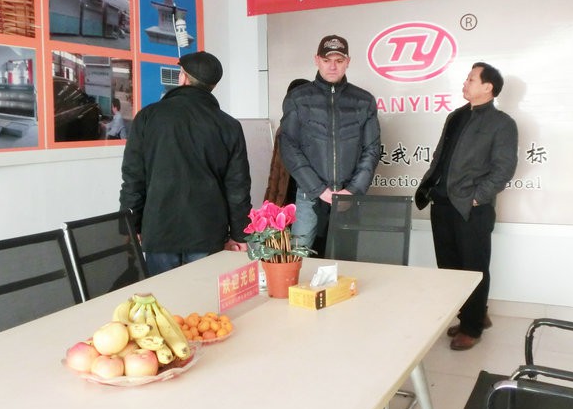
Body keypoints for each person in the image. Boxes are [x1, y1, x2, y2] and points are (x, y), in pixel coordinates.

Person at [119, 51, 252, 276]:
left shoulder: (149, 116)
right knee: (203, 295)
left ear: (183, 77)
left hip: (159, 229)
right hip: (207, 232)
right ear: (212, 86)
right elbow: (237, 188)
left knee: (162, 294)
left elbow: (133, 176)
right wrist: (240, 234)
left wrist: (130, 225)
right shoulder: (228, 125)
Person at [415, 62, 518, 351]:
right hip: (442, 202)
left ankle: (472, 327)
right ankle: (471, 315)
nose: (465, 83)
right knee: (450, 269)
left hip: (472, 208)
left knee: (473, 268)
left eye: (471, 79)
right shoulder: (456, 116)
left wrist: (477, 197)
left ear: (488, 87)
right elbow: (440, 156)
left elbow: (504, 168)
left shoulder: (502, 123)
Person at [279, 35, 381, 256]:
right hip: (308, 195)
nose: (332, 66)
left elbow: (372, 149)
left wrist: (352, 191)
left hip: (349, 197)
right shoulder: (297, 98)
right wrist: (319, 190)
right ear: (317, 60)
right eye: (327, 60)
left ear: (348, 62)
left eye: (339, 60)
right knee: (297, 259)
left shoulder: (364, 100)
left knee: (345, 260)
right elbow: (288, 146)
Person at [263, 78, 309, 206]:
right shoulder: (283, 130)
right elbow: (274, 174)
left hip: (309, 203)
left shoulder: (321, 132)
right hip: (285, 200)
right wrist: (268, 206)